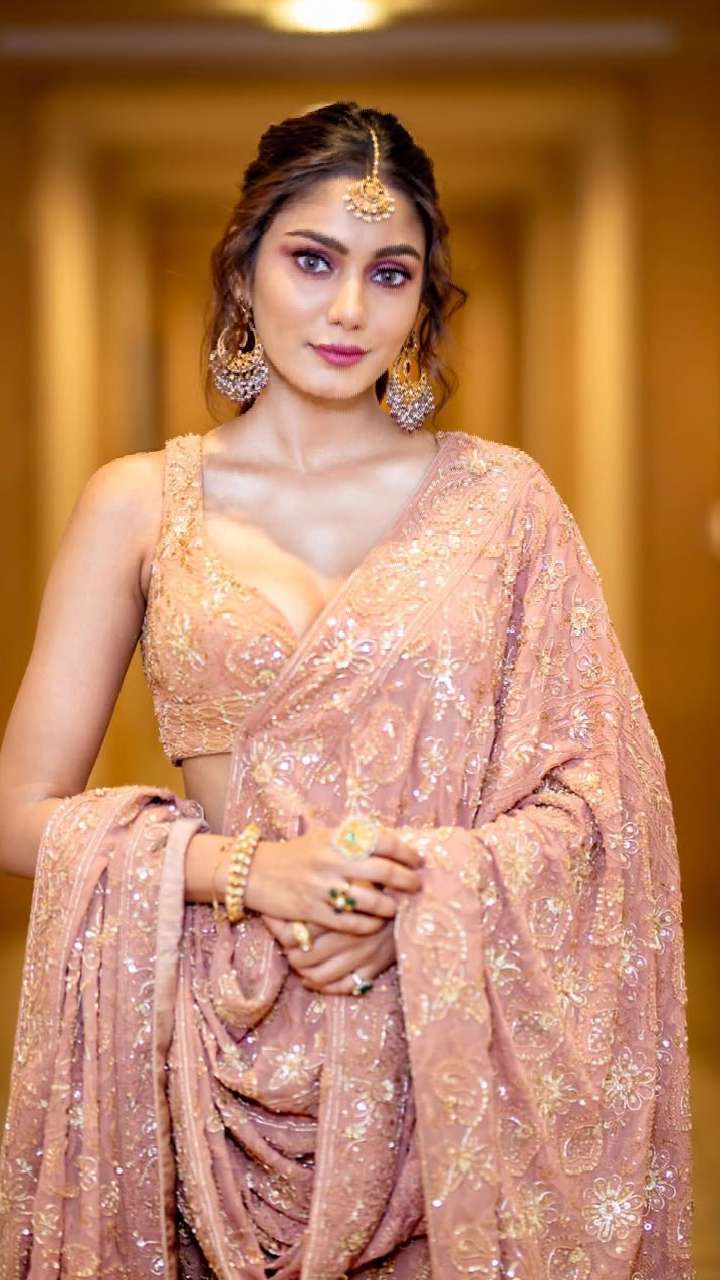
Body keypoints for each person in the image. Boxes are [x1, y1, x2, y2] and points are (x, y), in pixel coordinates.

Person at [0, 100, 693, 1280]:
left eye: (390, 273)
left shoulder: (504, 506)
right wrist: (249, 870)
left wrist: (413, 900)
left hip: (446, 1062)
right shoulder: (138, 502)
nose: (348, 309)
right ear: (244, 269)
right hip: (199, 1050)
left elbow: (600, 806)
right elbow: (19, 807)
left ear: (423, 300)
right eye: (312, 260)